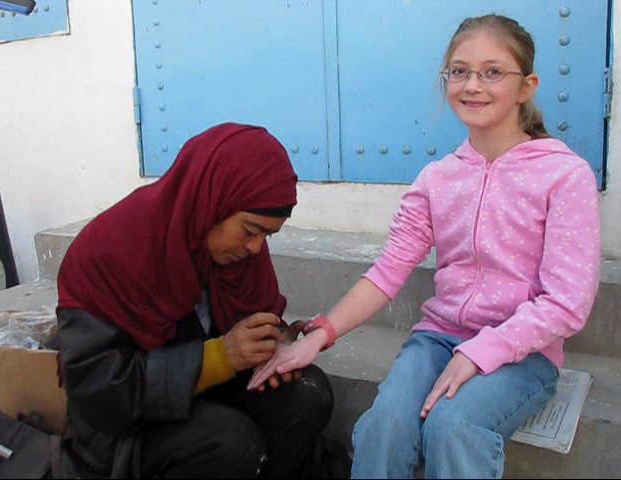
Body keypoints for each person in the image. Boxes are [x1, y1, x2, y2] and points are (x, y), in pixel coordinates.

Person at [249, 14, 601, 479]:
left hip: (523, 352)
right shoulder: (438, 179)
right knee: (385, 426)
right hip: (438, 339)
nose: (472, 85)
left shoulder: (564, 176)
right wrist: (320, 334)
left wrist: (482, 352)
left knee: (454, 425)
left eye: (492, 71)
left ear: (526, 86)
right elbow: (389, 270)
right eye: (459, 71)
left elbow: (567, 304)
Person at [55, 123, 333, 478]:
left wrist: (272, 345)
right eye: (250, 231)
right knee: (231, 442)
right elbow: (97, 388)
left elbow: (251, 316)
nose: (255, 248)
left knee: (309, 394)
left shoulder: (237, 255)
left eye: (267, 235)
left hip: (204, 397)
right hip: (126, 425)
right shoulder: (111, 251)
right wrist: (219, 357)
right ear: (211, 202)